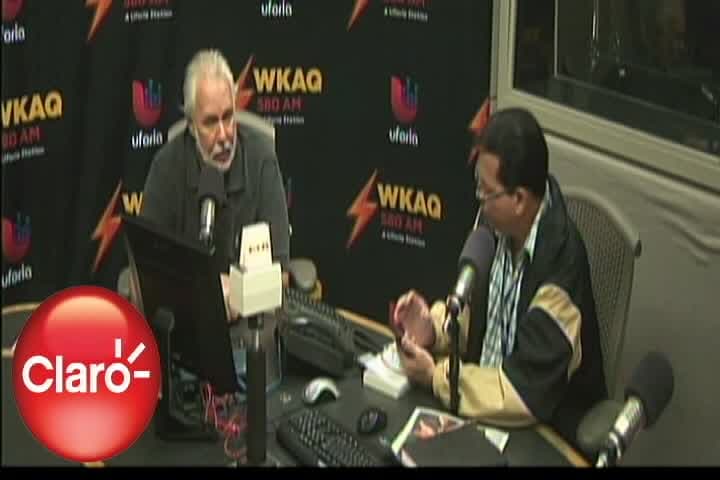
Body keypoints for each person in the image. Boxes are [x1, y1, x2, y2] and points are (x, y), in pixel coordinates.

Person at [392, 108, 607, 447]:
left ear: (519, 199)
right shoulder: (494, 227)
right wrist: (432, 329)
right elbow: (474, 316)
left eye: (486, 191)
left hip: (543, 432)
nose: (479, 199)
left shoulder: (561, 267)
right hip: (483, 409)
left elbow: (525, 392)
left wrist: (436, 377)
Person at [139, 49, 291, 318]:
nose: (224, 135)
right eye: (210, 122)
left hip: (252, 320)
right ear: (191, 125)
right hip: (186, 319)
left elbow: (281, 275)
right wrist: (203, 295)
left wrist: (236, 295)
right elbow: (147, 272)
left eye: (228, 117)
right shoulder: (166, 167)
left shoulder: (261, 159)